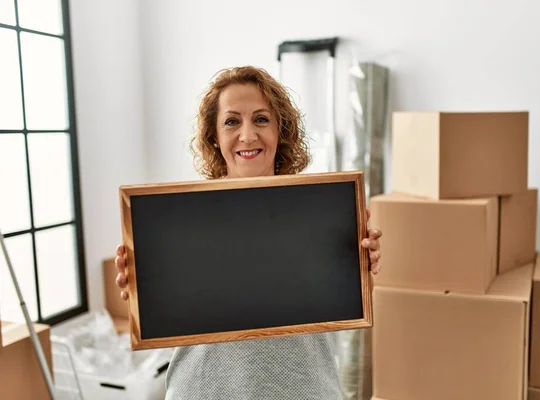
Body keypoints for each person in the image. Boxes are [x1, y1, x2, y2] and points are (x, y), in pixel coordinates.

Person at [114, 66, 383, 399]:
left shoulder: (326, 210)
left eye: (261, 119)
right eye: (231, 121)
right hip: (204, 390)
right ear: (214, 135)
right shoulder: (178, 221)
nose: (247, 135)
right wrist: (143, 288)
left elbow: (344, 301)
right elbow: (165, 309)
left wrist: (362, 268)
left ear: (280, 130)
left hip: (303, 389)